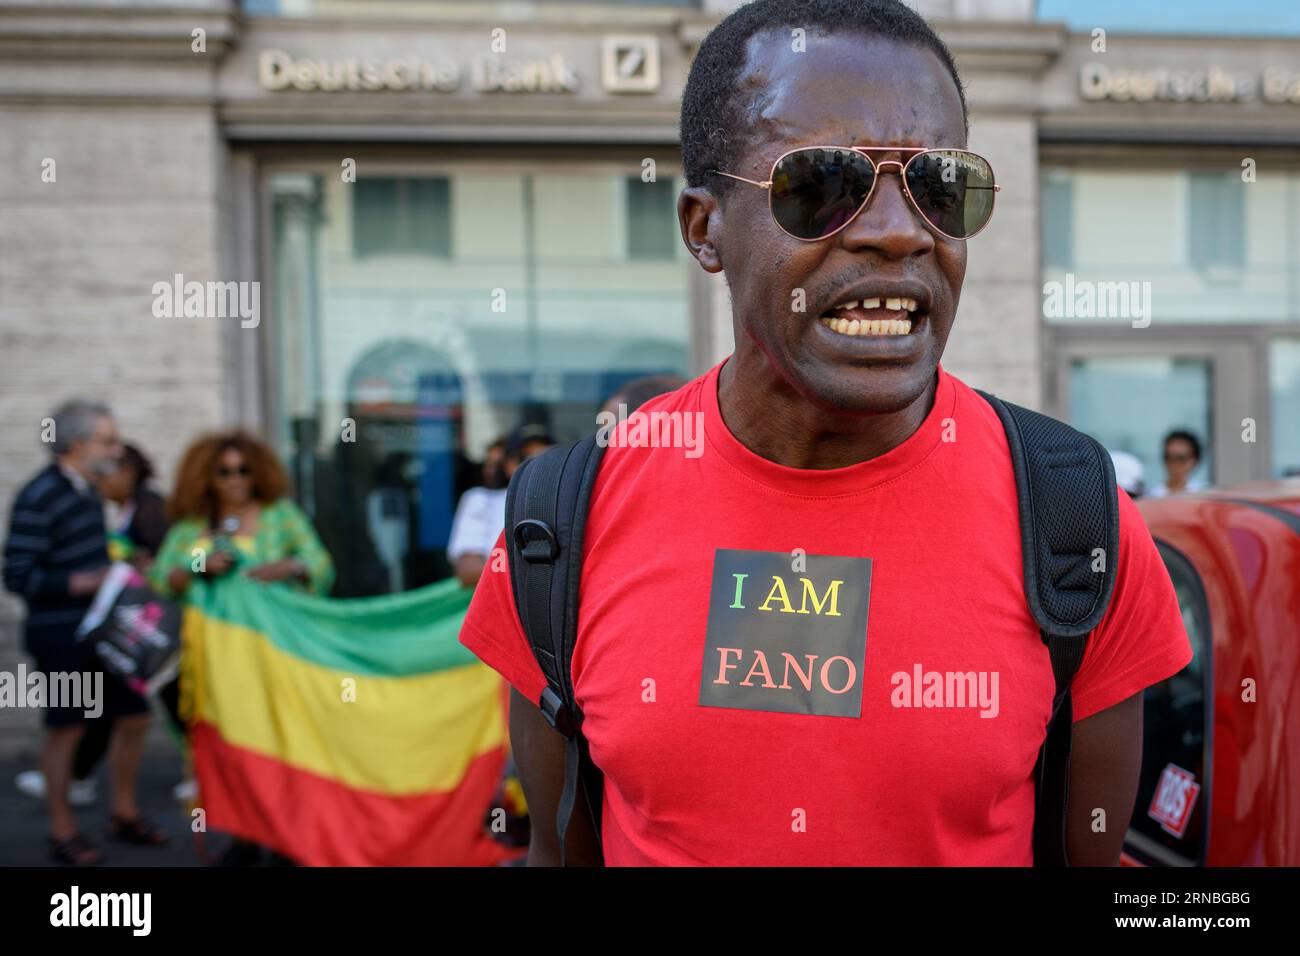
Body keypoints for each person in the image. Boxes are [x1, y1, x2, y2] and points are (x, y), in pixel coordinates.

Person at [459, 0, 1192, 866]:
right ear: (705, 229)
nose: (898, 230)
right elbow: (558, 852)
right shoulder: (558, 523)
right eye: (821, 185)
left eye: (940, 185)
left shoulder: (1080, 523)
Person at [3, 401, 168, 864]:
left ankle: (123, 811)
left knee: (134, 716)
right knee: (67, 729)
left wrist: (120, 569)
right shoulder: (40, 495)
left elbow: (83, 560)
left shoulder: (87, 492)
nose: (118, 451)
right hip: (59, 636)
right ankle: (62, 830)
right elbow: (18, 576)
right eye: (109, 441)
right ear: (77, 445)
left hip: (102, 633)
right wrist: (86, 581)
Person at [149, 430, 334, 600]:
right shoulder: (192, 525)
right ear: (207, 477)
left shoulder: (281, 514)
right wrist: (200, 566)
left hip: (267, 629)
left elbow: (321, 566)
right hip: (205, 630)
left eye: (244, 470)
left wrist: (291, 567)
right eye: (224, 472)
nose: (235, 480)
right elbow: (160, 578)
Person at [447, 426, 553, 589]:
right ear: (509, 464)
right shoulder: (482, 500)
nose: (539, 467)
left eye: (549, 459)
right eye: (527, 459)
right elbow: (468, 571)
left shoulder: (570, 503)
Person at [1147, 429, 1208, 498]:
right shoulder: (1152, 495)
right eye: (1168, 457)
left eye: (1180, 458)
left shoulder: (1203, 495)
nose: (1173, 463)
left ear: (1193, 460)